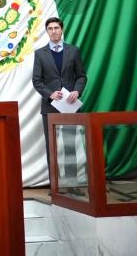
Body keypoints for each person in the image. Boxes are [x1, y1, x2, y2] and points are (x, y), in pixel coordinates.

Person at [31, 17, 87, 184]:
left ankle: (71, 184)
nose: (54, 31)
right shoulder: (40, 54)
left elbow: (81, 76)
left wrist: (77, 91)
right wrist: (50, 94)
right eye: (50, 28)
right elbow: (36, 80)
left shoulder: (73, 51)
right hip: (49, 107)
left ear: (62, 29)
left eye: (56, 28)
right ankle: (55, 185)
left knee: (70, 146)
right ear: (47, 31)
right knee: (52, 147)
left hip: (69, 106)